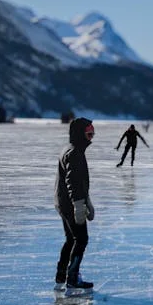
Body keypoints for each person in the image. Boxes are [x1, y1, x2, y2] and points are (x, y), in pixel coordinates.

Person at [54, 117, 96, 294]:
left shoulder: (72, 149)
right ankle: (72, 277)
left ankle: (61, 277)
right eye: (89, 134)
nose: (91, 137)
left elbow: (79, 182)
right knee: (81, 239)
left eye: (93, 134)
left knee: (71, 239)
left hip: (63, 202)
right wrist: (78, 205)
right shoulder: (74, 153)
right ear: (80, 134)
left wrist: (88, 201)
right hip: (70, 204)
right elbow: (72, 181)